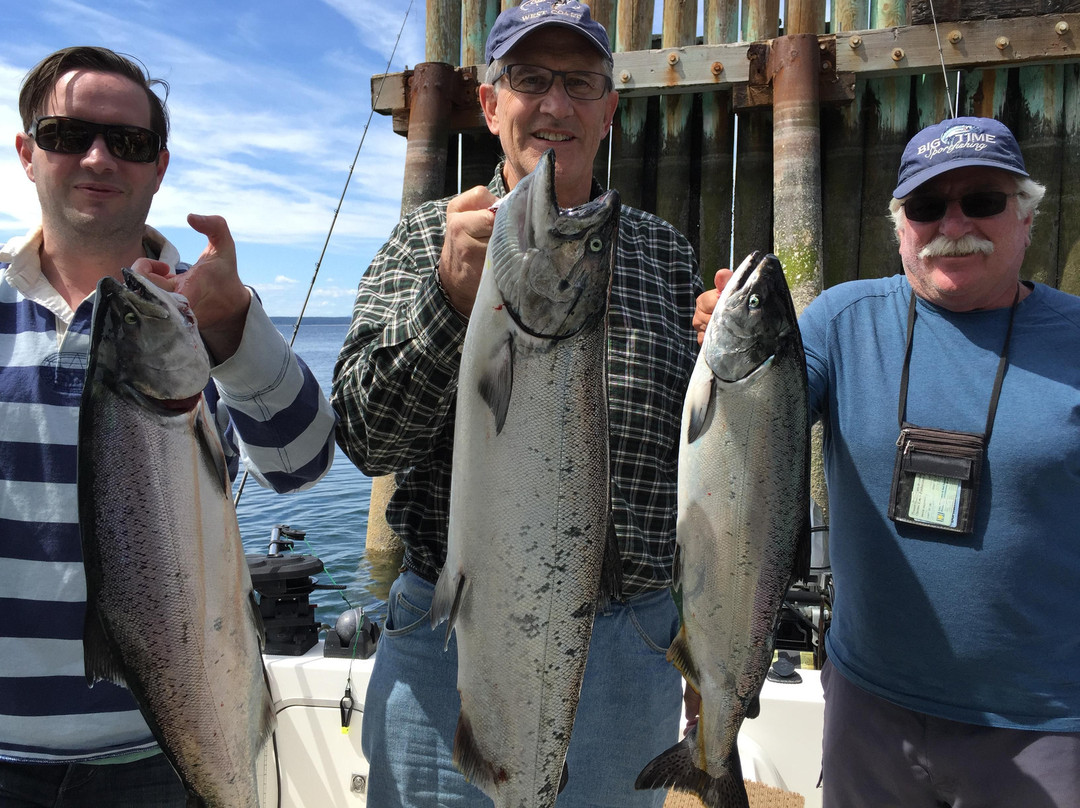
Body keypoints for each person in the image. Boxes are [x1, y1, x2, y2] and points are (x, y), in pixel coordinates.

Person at [331, 1, 702, 804]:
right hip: (451, 641)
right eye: (532, 80)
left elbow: (707, 476)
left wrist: (726, 370)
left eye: (580, 83)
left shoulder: (667, 256)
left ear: (609, 109)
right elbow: (365, 436)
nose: (556, 105)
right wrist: (446, 301)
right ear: (491, 104)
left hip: (630, 647)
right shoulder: (422, 240)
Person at [696, 116, 1080, 806]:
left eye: (982, 202)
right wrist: (721, 351)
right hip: (868, 708)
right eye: (928, 207)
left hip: (1045, 723)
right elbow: (751, 425)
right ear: (899, 227)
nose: (952, 223)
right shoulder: (841, 321)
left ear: (1026, 217)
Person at [0, 46, 337, 805]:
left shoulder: (200, 317)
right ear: (27, 152)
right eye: (67, 134)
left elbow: (304, 465)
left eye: (128, 142)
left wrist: (233, 330)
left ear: (159, 165)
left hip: (163, 750)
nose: (98, 157)